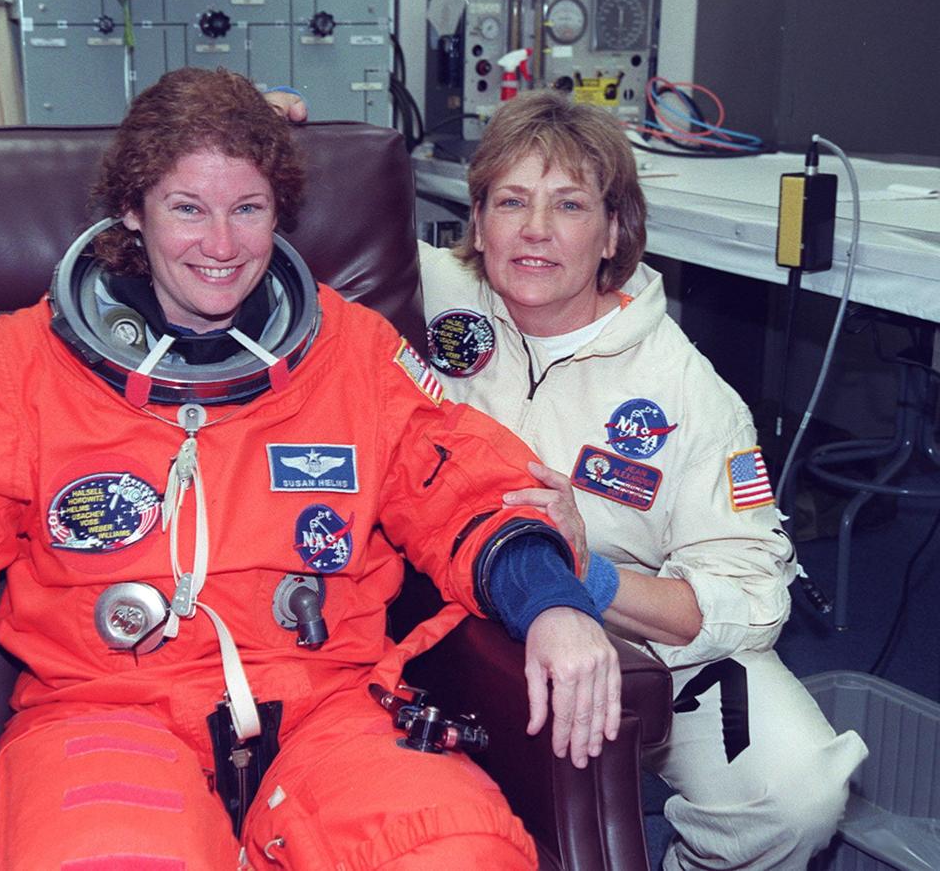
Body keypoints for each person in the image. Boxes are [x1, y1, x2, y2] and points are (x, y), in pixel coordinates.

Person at [0, 67, 624, 870]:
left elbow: (460, 486)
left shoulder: (352, 351)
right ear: (131, 209)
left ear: (280, 212)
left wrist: (552, 601)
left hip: (326, 707)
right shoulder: (20, 366)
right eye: (186, 208)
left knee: (460, 854)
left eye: (248, 208)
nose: (222, 243)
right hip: (104, 708)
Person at [266, 87, 868, 869]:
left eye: (571, 205)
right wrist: (261, 125)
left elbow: (754, 596)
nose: (536, 232)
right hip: (451, 614)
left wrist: (595, 580)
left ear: (614, 229)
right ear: (476, 223)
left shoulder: (690, 394)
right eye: (511, 202)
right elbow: (274, 230)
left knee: (800, 792)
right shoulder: (423, 296)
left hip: (636, 638)